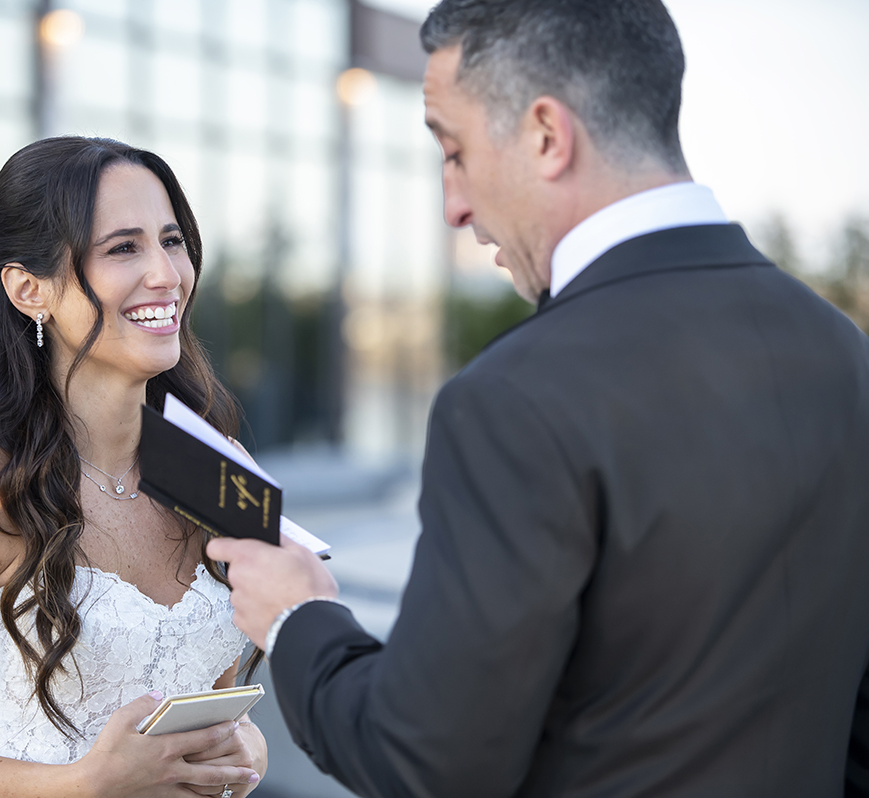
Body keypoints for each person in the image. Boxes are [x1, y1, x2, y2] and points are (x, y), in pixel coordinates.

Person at [209, 1, 869, 795]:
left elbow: (423, 760)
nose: (451, 205)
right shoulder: (843, 352)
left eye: (452, 151)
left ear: (547, 136)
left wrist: (296, 616)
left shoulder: (513, 400)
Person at [0, 137, 266, 798]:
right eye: (123, 248)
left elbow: (211, 691)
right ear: (27, 288)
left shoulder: (210, 469)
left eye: (173, 240)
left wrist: (242, 749)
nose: (166, 274)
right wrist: (82, 786)